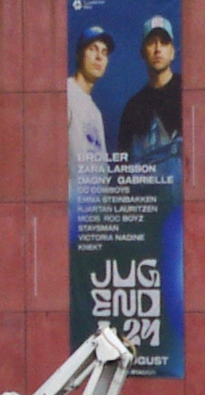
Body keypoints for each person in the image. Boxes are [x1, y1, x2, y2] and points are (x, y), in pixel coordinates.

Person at [68, 24, 117, 233]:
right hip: (70, 222)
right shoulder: (65, 94)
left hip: (93, 227)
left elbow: (102, 171)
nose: (99, 57)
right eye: (93, 49)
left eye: (104, 52)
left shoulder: (95, 113)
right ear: (80, 54)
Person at [117, 14, 185, 159]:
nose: (158, 49)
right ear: (143, 52)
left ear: (173, 52)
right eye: (152, 42)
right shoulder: (134, 108)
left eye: (164, 42)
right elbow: (123, 167)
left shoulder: (187, 92)